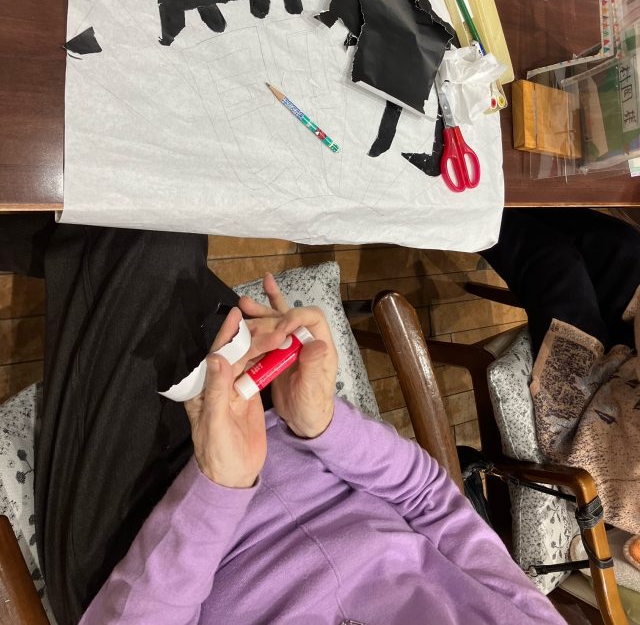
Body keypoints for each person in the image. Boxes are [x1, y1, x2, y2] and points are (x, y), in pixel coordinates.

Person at [1, 216, 563, 624]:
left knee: (140, 228)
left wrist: (218, 489)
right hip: (274, 428)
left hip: (143, 546)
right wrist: (324, 424)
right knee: (143, 224)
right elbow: (431, 499)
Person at [480, 208, 640, 535]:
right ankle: (509, 198)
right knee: (623, 247)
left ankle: (455, 206)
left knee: (554, 265)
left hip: (589, 424)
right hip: (627, 375)